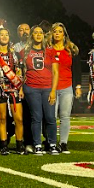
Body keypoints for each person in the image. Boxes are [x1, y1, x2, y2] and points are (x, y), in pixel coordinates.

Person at [0, 27, 24, 155]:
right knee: (1, 119)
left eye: (6, 34)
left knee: (18, 119)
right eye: (1, 35)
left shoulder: (15, 54)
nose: (4, 37)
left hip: (14, 89)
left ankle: (20, 145)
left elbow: (19, 72)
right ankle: (3, 145)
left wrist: (21, 88)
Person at [23, 25, 59, 155]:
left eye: (40, 33)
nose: (38, 35)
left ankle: (52, 143)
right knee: (36, 117)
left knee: (50, 117)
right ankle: (37, 144)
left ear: (44, 35)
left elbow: (55, 72)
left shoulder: (50, 51)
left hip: (47, 88)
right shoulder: (25, 51)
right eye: (35, 33)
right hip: (32, 88)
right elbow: (21, 71)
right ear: (32, 35)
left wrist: (53, 90)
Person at [47, 22, 81, 154]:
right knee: (51, 117)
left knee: (65, 116)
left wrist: (77, 86)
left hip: (67, 87)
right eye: (54, 31)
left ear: (64, 34)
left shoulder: (71, 49)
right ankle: (52, 143)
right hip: (52, 87)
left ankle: (63, 143)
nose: (57, 33)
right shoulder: (48, 49)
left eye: (60, 31)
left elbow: (76, 69)